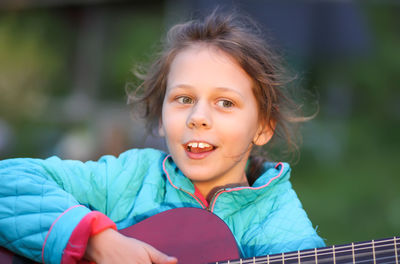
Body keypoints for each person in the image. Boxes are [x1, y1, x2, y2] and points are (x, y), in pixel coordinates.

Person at [0, 10, 325, 264]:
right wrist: (96, 241)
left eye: (225, 103)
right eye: (183, 99)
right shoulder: (131, 179)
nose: (198, 118)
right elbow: (8, 182)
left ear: (263, 127)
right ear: (159, 116)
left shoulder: (278, 221)